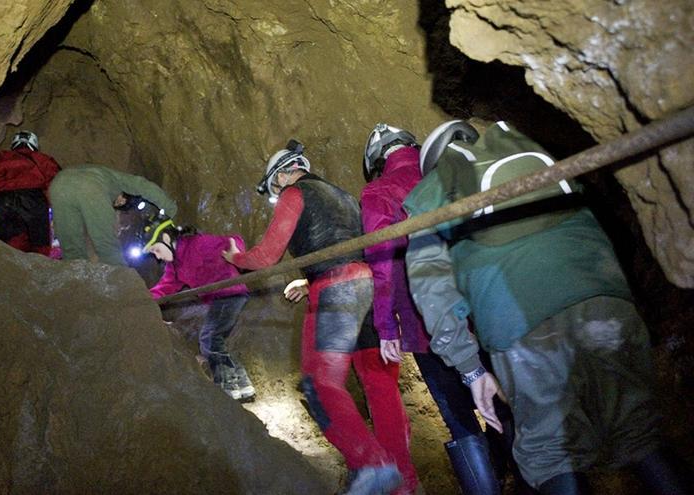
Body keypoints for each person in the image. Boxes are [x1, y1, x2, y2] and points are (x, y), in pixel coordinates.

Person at [404, 119, 692, 494]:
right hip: (606, 303)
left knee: (549, 452)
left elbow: (433, 291)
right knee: (638, 433)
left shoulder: (431, 193)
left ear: (433, 164)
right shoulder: (536, 154)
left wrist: (471, 370)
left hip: (523, 326)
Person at [222, 140, 402, 495]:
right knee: (380, 385)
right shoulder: (346, 198)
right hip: (368, 288)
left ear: (284, 173)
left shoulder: (295, 193)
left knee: (320, 384)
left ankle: (371, 465)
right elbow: (350, 248)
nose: (277, 194)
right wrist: (309, 279)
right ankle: (404, 483)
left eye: (275, 186)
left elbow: (265, 258)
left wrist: (236, 257)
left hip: (337, 289)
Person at [360, 123, 528, 495]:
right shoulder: (443, 171)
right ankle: (523, 478)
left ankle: (487, 485)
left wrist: (386, 326)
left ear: (376, 158)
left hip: (426, 323)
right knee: (501, 402)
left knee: (460, 420)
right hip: (477, 309)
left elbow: (382, 263)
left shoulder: (377, 192)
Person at [284, 280, 421, 495]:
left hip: (365, 302)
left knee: (374, 390)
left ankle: (381, 470)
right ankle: (401, 480)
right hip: (372, 300)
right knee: (382, 392)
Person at [144, 216, 256, 401]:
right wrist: (143, 298)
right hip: (218, 299)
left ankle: (226, 388)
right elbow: (164, 287)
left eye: (156, 250)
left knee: (209, 338)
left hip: (229, 293)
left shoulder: (196, 244)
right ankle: (243, 387)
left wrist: (237, 252)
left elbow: (232, 240)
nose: (157, 256)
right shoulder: (175, 266)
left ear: (165, 238)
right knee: (217, 341)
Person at [48, 166, 177, 265]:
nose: (119, 203)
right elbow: (143, 185)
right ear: (124, 196)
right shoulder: (118, 180)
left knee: (72, 254)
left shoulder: (104, 173)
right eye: (121, 202)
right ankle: (123, 288)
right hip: (90, 187)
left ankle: (78, 286)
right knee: (108, 248)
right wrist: (171, 211)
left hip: (58, 184)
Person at [0, 130, 61, 255]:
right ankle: (38, 270)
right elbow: (55, 178)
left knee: (12, 245)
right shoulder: (40, 158)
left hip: (3, 200)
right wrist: (49, 199)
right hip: (32, 199)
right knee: (39, 244)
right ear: (34, 145)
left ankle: (16, 269)